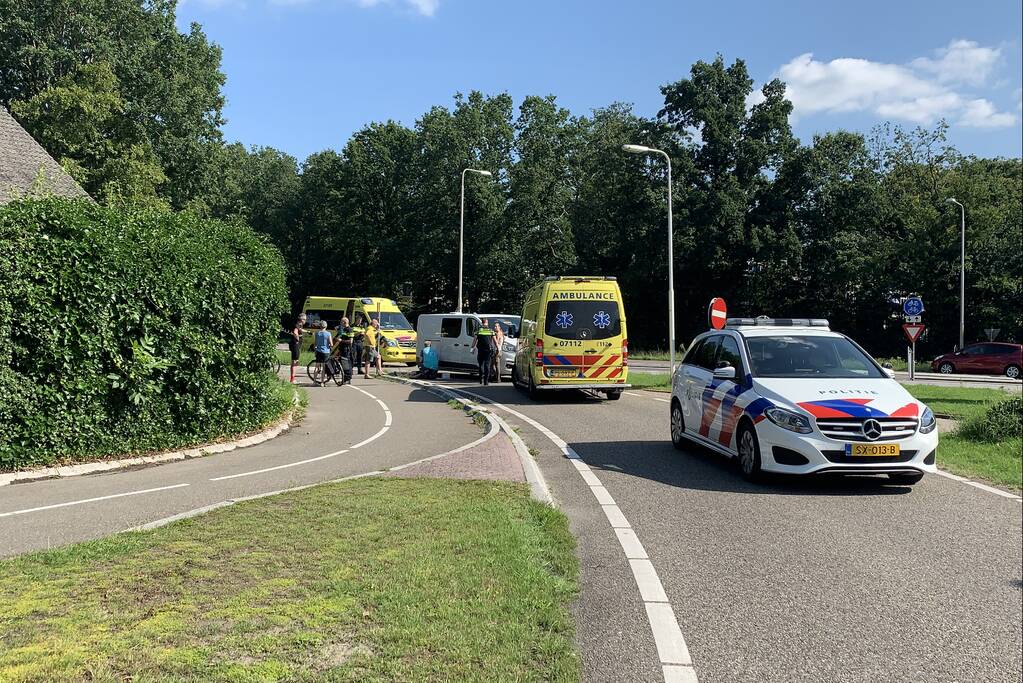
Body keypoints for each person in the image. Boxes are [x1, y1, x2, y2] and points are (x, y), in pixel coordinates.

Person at [471, 318, 496, 385]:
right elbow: (495, 341)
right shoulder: (491, 331)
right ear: (487, 322)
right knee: (487, 365)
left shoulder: (478, 331)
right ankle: (486, 381)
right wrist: (498, 348)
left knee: (481, 365)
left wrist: (472, 348)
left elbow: (474, 340)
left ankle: (480, 379)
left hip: (480, 350)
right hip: (488, 350)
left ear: (482, 323)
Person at [313, 320, 333, 386]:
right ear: (326, 326)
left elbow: (315, 343)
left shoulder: (317, 333)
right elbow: (331, 344)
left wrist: (315, 349)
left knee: (317, 367)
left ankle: (314, 381)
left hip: (318, 351)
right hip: (326, 352)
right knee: (324, 367)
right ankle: (322, 382)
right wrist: (330, 346)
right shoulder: (328, 333)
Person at [335, 317, 354, 384]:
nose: (340, 323)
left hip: (347, 349)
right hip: (342, 349)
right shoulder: (343, 329)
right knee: (343, 363)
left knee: (346, 364)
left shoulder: (349, 329)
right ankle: (346, 378)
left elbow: (350, 341)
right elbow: (338, 336)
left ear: (345, 322)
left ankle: (347, 378)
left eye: (341, 322)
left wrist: (341, 340)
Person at [288, 313, 307, 383]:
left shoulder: (299, 324)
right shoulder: (298, 324)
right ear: (301, 319)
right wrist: (298, 339)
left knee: (295, 362)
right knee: (294, 362)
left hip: (294, 345)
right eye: (304, 319)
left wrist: (307, 331)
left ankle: (292, 379)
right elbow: (295, 332)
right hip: (295, 345)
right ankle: (292, 380)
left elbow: (300, 329)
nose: (305, 320)